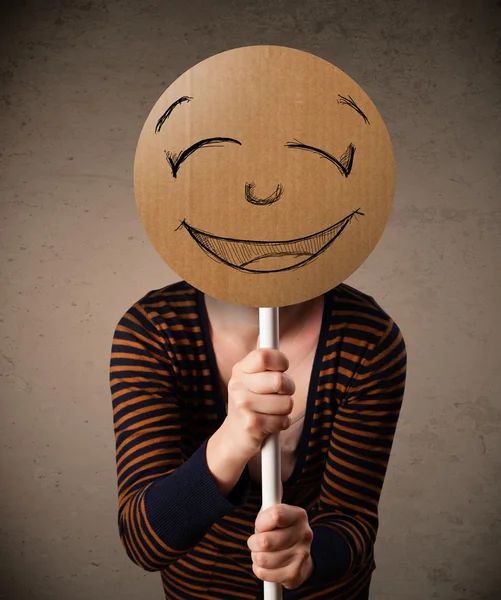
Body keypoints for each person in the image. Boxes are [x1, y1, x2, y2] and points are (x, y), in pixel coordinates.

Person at [109, 279, 407, 599]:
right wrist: (233, 438)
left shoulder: (367, 336)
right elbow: (144, 542)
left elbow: (353, 520)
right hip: (201, 586)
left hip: (326, 592)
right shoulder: (153, 329)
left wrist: (307, 557)